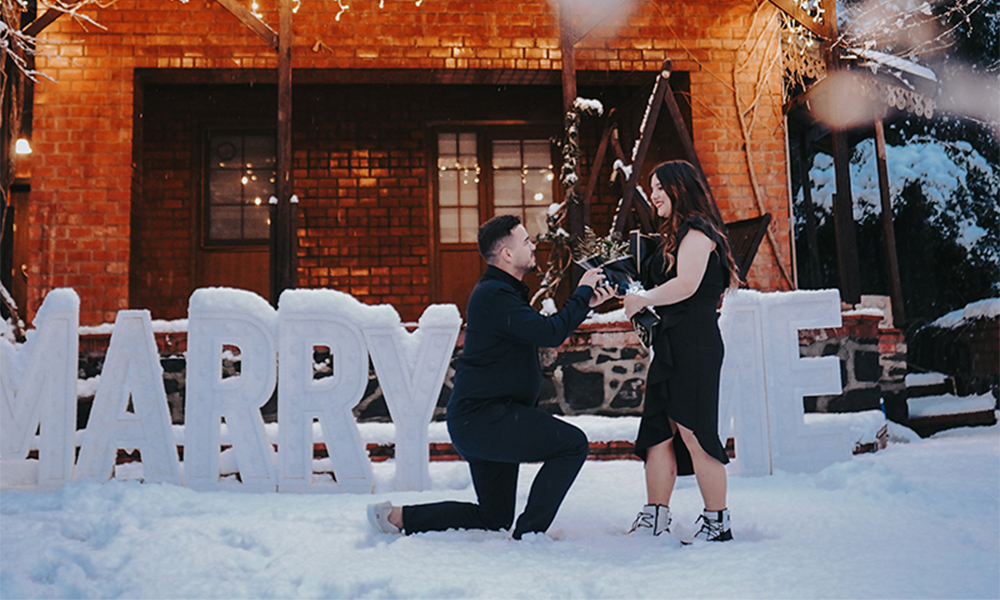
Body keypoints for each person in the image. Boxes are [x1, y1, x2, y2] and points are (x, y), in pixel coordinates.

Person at [367, 214, 614, 539]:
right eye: (526, 241)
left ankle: (398, 518)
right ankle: (530, 534)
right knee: (572, 445)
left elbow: (548, 330)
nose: (533, 245)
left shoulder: (502, 294)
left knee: (493, 516)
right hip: (486, 420)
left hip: (485, 420)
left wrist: (586, 303)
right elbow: (549, 332)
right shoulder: (494, 295)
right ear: (507, 254)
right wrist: (581, 293)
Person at [621, 160, 741, 542]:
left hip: (695, 344)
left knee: (695, 433)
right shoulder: (673, 236)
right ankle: (656, 517)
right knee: (658, 433)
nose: (653, 194)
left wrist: (644, 298)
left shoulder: (698, 232)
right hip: (672, 343)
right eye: (651, 187)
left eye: (660, 187)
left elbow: (687, 285)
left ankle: (717, 523)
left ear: (680, 188)